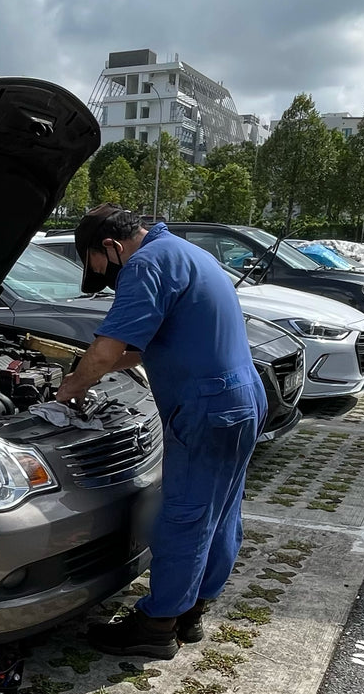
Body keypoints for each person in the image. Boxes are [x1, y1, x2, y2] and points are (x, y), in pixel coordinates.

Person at [57, 204, 267, 659]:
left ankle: (156, 624)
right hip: (242, 397)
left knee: (185, 515)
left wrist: (68, 389)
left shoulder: (146, 263)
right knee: (222, 510)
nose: (108, 281)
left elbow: (109, 345)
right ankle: (192, 610)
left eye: (101, 270)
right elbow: (144, 347)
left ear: (111, 247)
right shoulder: (184, 253)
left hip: (208, 407)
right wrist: (93, 371)